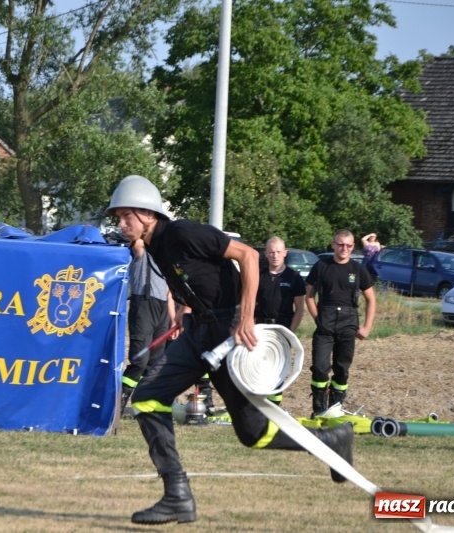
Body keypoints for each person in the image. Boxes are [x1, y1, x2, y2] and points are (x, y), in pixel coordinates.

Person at [107, 175, 354, 525]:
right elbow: (194, 280)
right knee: (147, 399)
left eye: (126, 216)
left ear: (147, 214)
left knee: (253, 433)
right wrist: (183, 312)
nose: (121, 224)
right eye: (118, 217)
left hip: (227, 330)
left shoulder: (184, 233)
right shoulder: (156, 247)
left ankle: (329, 440)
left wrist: (246, 317)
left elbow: (248, 256)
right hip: (198, 330)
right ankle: (177, 496)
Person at [305, 229, 376, 418]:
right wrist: (318, 319)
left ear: (353, 247)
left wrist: (367, 327)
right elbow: (309, 296)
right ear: (333, 245)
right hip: (325, 324)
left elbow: (371, 299)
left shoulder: (358, 269)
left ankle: (334, 409)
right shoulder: (321, 266)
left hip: (348, 324)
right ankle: (319, 410)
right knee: (320, 368)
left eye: (349, 245)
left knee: (342, 370)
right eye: (341, 244)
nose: (344, 248)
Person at [121, 238, 178, 416]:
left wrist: (173, 321)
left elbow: (169, 294)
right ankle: (117, 405)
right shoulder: (142, 252)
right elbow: (137, 240)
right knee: (140, 361)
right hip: (143, 306)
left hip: (162, 310)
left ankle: (145, 407)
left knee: (154, 363)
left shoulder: (166, 258)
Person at [254, 236, 306, 405]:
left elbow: (300, 309)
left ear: (285, 253)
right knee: (257, 366)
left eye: (278, 252)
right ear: (265, 254)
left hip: (282, 328)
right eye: (271, 252)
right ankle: (258, 404)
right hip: (261, 327)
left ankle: (274, 405)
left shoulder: (294, 277)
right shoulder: (258, 275)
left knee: (277, 368)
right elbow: (249, 303)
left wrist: (290, 333)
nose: (275, 255)